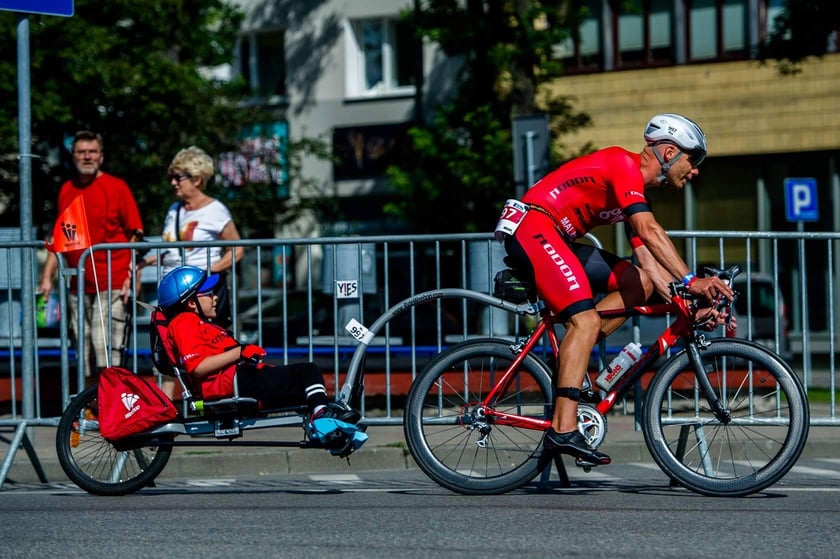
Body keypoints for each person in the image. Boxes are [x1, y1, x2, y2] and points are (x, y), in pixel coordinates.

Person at [495, 113, 733, 465]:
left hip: (554, 237)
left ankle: (574, 349)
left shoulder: (633, 193)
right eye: (692, 159)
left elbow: (649, 264)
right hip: (534, 227)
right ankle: (563, 429)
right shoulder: (623, 165)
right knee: (587, 320)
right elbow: (649, 230)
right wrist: (691, 281)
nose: (695, 170)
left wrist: (688, 305)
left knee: (637, 282)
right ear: (669, 152)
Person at [156, 265, 366, 454]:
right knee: (307, 372)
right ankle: (322, 420)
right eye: (208, 294)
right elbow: (198, 368)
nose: (215, 298)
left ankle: (335, 432)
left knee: (304, 394)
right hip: (231, 383)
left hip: (237, 379)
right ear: (191, 303)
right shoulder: (185, 322)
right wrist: (240, 352)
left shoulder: (199, 322)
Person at [39, 130, 144, 382]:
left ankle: (113, 409)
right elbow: (60, 236)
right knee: (82, 350)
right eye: (81, 152)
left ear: (101, 156)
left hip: (113, 281)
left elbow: (136, 234)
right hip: (77, 285)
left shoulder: (117, 187)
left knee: (105, 348)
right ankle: (88, 408)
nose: (87, 157)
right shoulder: (66, 189)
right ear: (73, 156)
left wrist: (133, 274)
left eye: (92, 151)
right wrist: (46, 278)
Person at [140, 145, 244, 329]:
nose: (173, 183)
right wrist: (145, 262)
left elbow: (236, 251)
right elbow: (174, 253)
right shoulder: (174, 209)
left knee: (202, 347)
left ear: (197, 179)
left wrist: (206, 273)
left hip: (200, 293)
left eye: (178, 177)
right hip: (172, 293)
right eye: (171, 177)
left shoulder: (215, 210)